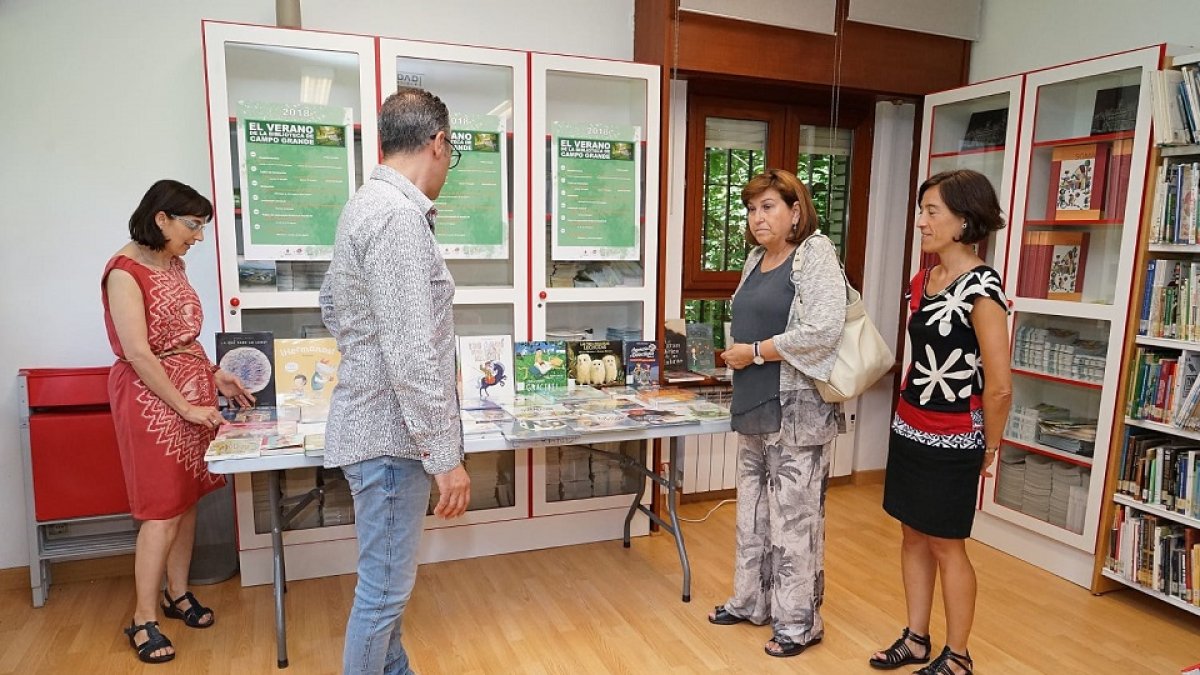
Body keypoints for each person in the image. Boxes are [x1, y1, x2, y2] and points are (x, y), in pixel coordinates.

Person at [320, 87, 470, 675]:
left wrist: (361, 352)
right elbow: (412, 354)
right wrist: (445, 456)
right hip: (390, 440)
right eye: (450, 152)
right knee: (381, 596)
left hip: (376, 427)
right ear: (437, 143)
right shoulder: (398, 219)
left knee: (388, 593)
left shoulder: (364, 205)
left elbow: (332, 305)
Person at [102, 179, 254, 664]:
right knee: (160, 510)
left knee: (186, 501)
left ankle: (177, 592)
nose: (198, 236)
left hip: (193, 391)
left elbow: (183, 339)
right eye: (193, 225)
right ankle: (142, 617)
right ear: (161, 218)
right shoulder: (123, 272)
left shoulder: (174, 263)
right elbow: (140, 354)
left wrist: (214, 374)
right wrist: (185, 406)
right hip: (151, 402)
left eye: (203, 227)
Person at [869, 169, 1010, 675]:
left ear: (965, 221)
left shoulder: (983, 289)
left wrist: (988, 449)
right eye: (921, 211)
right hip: (910, 426)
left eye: (933, 212)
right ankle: (917, 637)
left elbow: (999, 385)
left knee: (948, 543)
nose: (922, 222)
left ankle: (960, 655)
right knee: (912, 533)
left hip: (956, 436)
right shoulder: (921, 281)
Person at [709, 169, 847, 658]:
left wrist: (757, 352)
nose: (757, 217)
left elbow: (823, 329)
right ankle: (751, 602)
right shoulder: (753, 259)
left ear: (795, 211)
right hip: (753, 403)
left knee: (795, 520)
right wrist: (738, 356)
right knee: (751, 513)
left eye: (768, 206)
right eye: (751, 209)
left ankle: (798, 623)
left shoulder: (815, 253)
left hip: (797, 411)